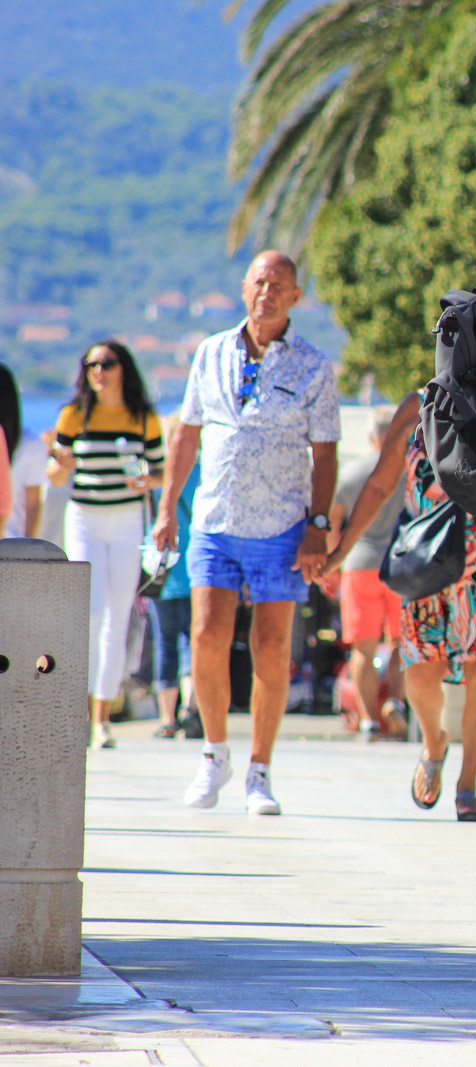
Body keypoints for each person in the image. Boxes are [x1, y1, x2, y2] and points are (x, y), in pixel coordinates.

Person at [152, 251, 341, 815]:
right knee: (206, 635)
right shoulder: (211, 352)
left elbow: (326, 453)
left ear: (296, 297)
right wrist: (166, 511)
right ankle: (214, 754)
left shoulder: (314, 366)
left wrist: (318, 525)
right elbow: (186, 436)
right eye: (260, 281)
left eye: (279, 284)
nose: (268, 292)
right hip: (214, 522)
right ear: (243, 288)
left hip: (282, 527)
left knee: (272, 646)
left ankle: (260, 771)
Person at [327, 393, 476, 821]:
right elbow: (380, 483)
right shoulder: (420, 403)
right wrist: (340, 551)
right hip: (431, 555)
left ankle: (467, 786)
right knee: (420, 672)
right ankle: (434, 744)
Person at [47, 341, 165, 749]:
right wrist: (60, 464)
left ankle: (101, 719)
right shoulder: (74, 414)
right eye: (91, 364)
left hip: (128, 520)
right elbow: (55, 476)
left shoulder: (143, 417)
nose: (98, 371)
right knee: (90, 613)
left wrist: (146, 481)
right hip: (84, 518)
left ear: (123, 368)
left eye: (107, 363)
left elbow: (163, 471)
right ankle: (79, 713)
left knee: (118, 618)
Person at [329, 406, 407, 740]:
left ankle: (368, 721)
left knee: (362, 649)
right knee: (400, 644)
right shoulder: (409, 471)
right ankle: (396, 703)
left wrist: (332, 565)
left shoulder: (351, 473)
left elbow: (333, 523)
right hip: (401, 567)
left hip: (359, 565)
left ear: (371, 436)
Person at [148, 413, 203, 739]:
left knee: (165, 642)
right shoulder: (203, 473)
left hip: (162, 567)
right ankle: (189, 710)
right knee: (192, 641)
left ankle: (167, 718)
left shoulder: (158, 477)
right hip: (197, 566)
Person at [2, 363, 49, 539]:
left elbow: (33, 504)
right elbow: (33, 504)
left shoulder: (30, 444)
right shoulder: (32, 443)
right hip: (14, 543)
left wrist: (28, 546)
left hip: (12, 543)